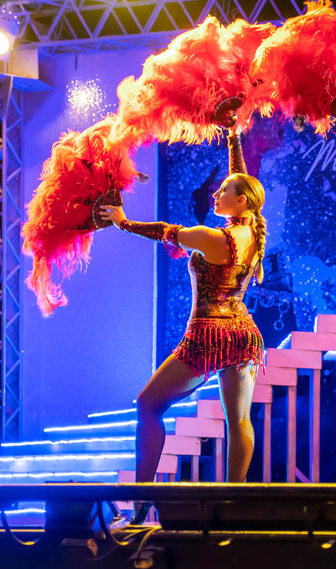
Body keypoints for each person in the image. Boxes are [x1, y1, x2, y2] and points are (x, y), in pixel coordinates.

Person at [98, 119, 266, 497]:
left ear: (241, 200)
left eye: (224, 190)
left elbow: (164, 231)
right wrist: (233, 136)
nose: (216, 193)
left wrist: (123, 223)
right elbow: (241, 179)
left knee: (147, 406)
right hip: (244, 335)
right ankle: (233, 502)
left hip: (208, 335)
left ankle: (142, 499)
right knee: (239, 420)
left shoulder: (212, 237)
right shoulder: (253, 233)